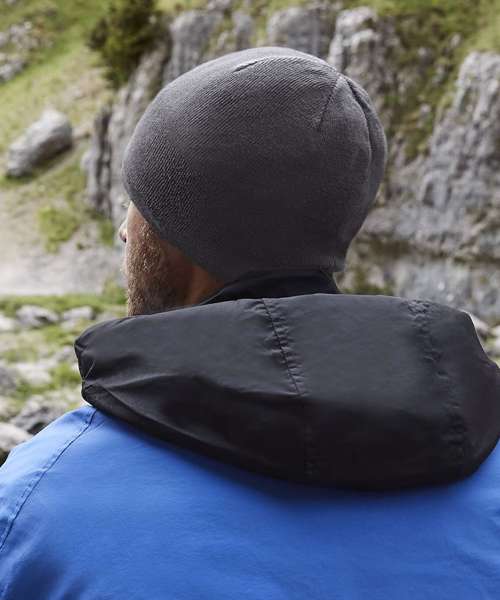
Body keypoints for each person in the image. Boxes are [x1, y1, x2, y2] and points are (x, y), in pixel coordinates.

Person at [1, 46, 499, 600]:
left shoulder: (35, 509)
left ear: (176, 240)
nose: (124, 229)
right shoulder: (487, 467)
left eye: (137, 204)